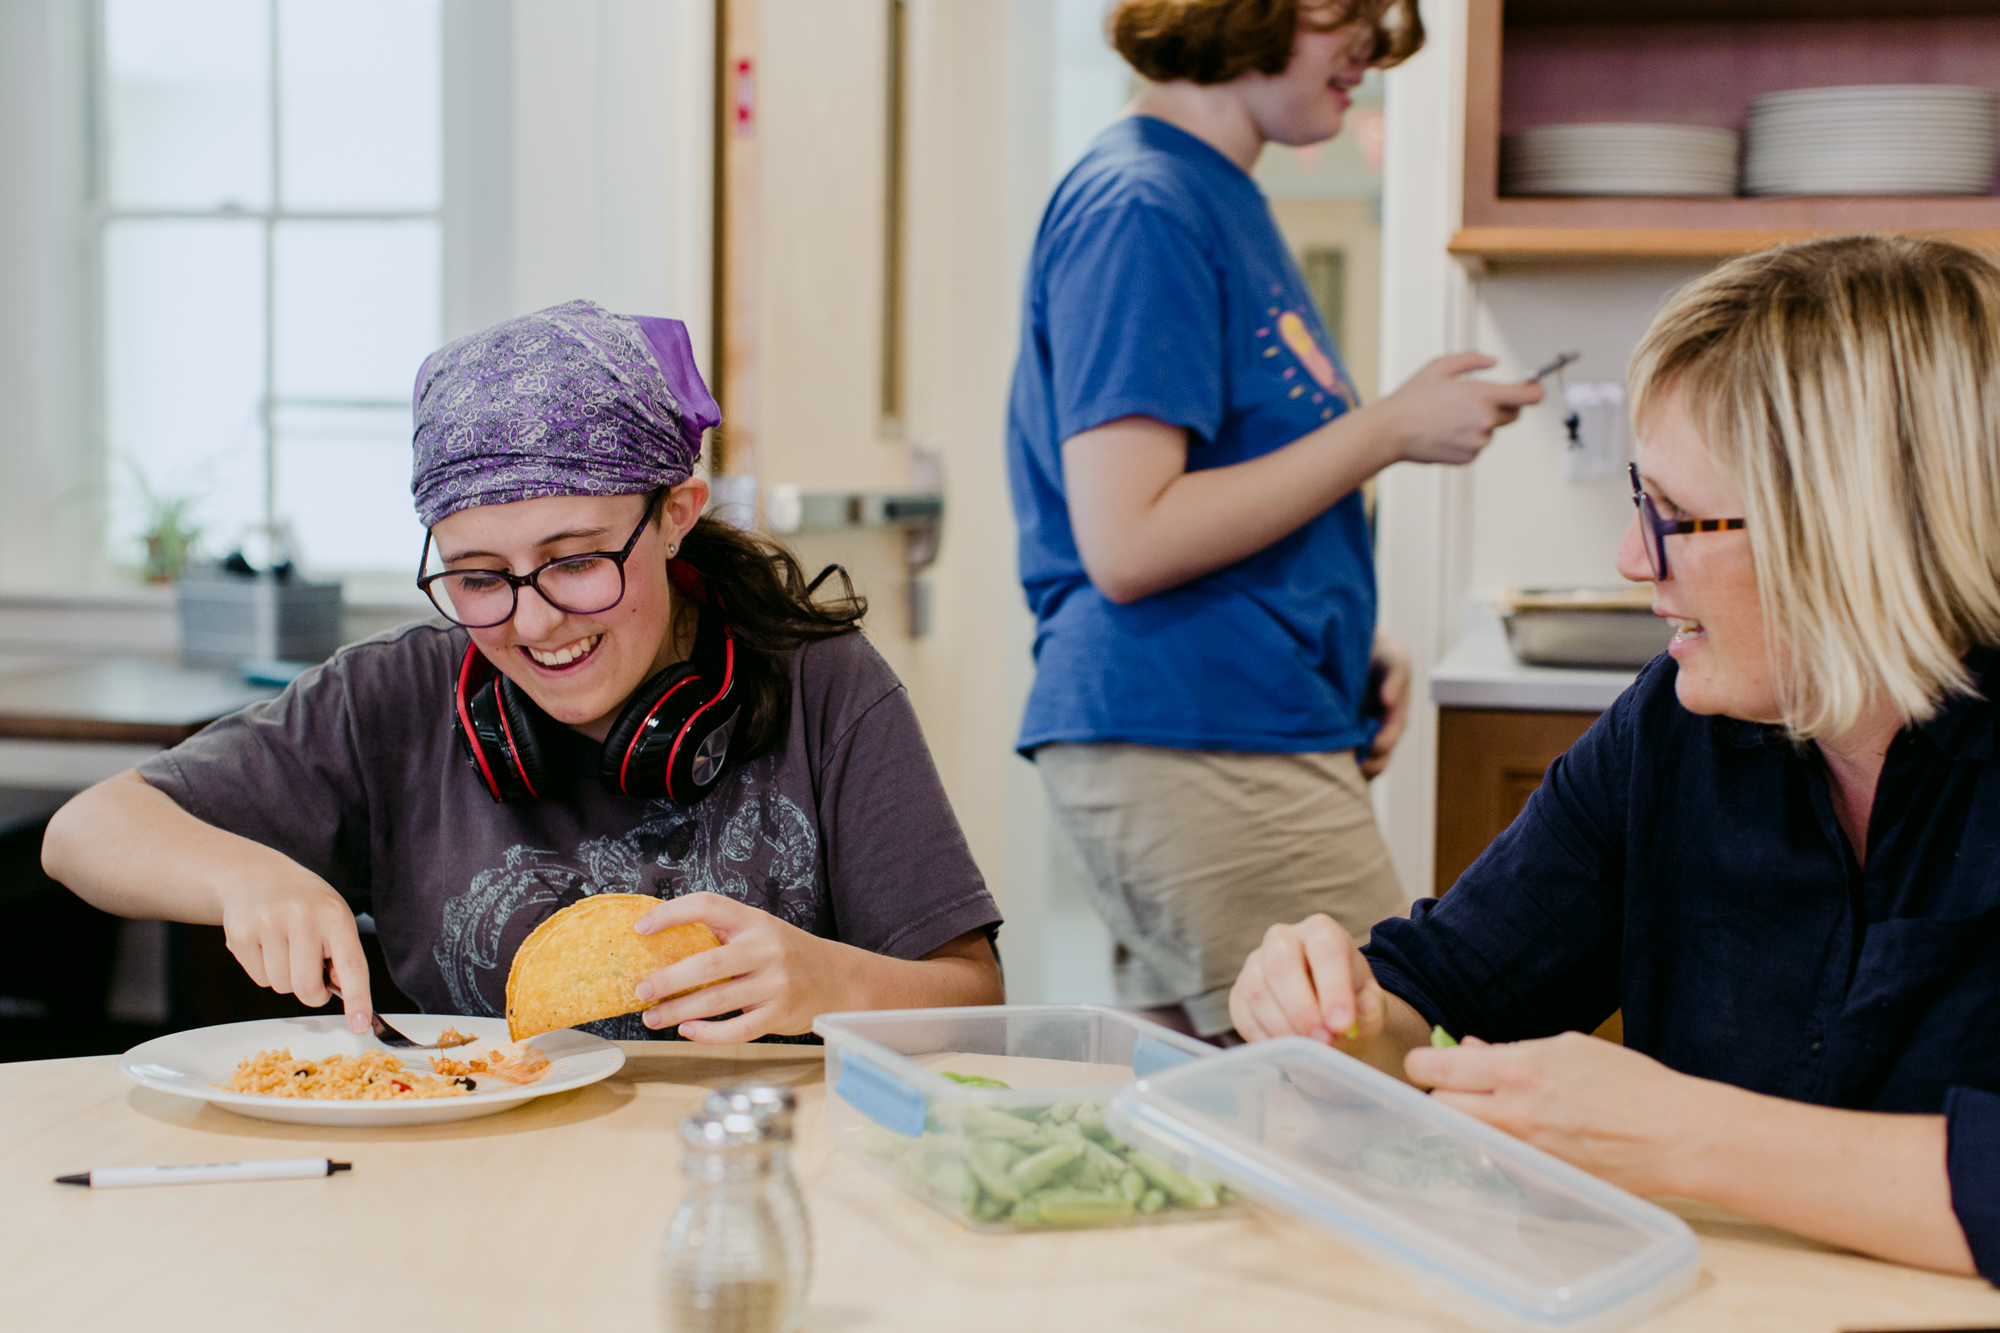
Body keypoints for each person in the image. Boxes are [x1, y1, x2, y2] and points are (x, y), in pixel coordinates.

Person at [1227, 234, 2000, 1278]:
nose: (1632, 556)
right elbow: (1443, 990)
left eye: (1675, 518)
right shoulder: (1674, 731)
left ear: (1855, 529)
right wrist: (1337, 1012)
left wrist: (1686, 1133)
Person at [43, 300, 1004, 1043]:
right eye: (476, 577)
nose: (535, 620)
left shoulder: (825, 688)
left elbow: (970, 999)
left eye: (578, 559)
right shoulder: (394, 697)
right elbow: (87, 829)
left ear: (676, 513)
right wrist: (244, 877)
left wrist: (836, 983)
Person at [1006, 0, 1543, 1038]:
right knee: (1371, 1095)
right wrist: (1388, 427)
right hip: (1195, 723)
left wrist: (1343, 639)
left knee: (1223, 1128)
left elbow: (1222, 500)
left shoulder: (1210, 196)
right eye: (1342, 10)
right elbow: (1128, 538)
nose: (1374, 46)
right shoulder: (1143, 205)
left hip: (1225, 710)